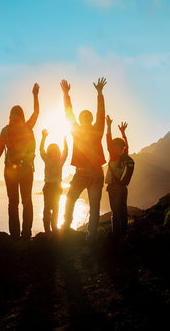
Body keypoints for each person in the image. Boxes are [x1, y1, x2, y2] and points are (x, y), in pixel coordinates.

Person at [60, 77, 107, 242]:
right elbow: (101, 114)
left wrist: (66, 94)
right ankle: (91, 237)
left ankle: (65, 229)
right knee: (94, 207)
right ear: (91, 120)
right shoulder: (97, 130)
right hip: (96, 173)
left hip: (81, 174)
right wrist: (100, 94)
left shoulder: (77, 131)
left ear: (81, 120)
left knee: (70, 199)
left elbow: (69, 113)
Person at [0, 83, 40, 240]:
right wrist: (35, 95)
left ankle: (14, 236)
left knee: (13, 203)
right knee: (27, 201)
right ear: (22, 115)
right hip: (26, 169)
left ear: (11, 115)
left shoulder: (5, 130)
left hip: (10, 170)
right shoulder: (28, 126)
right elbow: (36, 112)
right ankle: (26, 234)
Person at [105, 116, 135, 237]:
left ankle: (116, 234)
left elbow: (108, 140)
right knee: (123, 210)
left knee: (116, 212)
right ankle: (124, 233)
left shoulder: (114, 156)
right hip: (123, 187)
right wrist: (123, 133)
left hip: (114, 187)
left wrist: (109, 126)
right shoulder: (124, 155)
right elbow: (125, 145)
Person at [39, 129, 68, 233]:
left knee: (56, 208)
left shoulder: (60, 162)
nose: (55, 154)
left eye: (56, 152)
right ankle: (47, 229)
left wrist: (64, 140)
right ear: (49, 154)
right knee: (47, 208)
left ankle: (54, 228)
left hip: (57, 187)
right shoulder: (47, 161)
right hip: (48, 186)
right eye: (52, 152)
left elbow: (66, 151)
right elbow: (41, 150)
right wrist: (43, 137)